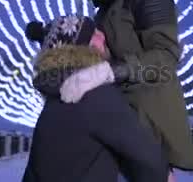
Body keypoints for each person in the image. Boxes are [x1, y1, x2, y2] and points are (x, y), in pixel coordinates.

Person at [59, 0, 193, 179]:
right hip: (120, 119)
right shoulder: (109, 4)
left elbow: (165, 58)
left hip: (148, 122)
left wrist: (107, 71)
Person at [22, 15, 168, 182]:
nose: (103, 36)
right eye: (94, 34)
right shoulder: (95, 94)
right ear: (81, 48)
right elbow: (150, 160)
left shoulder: (53, 102)